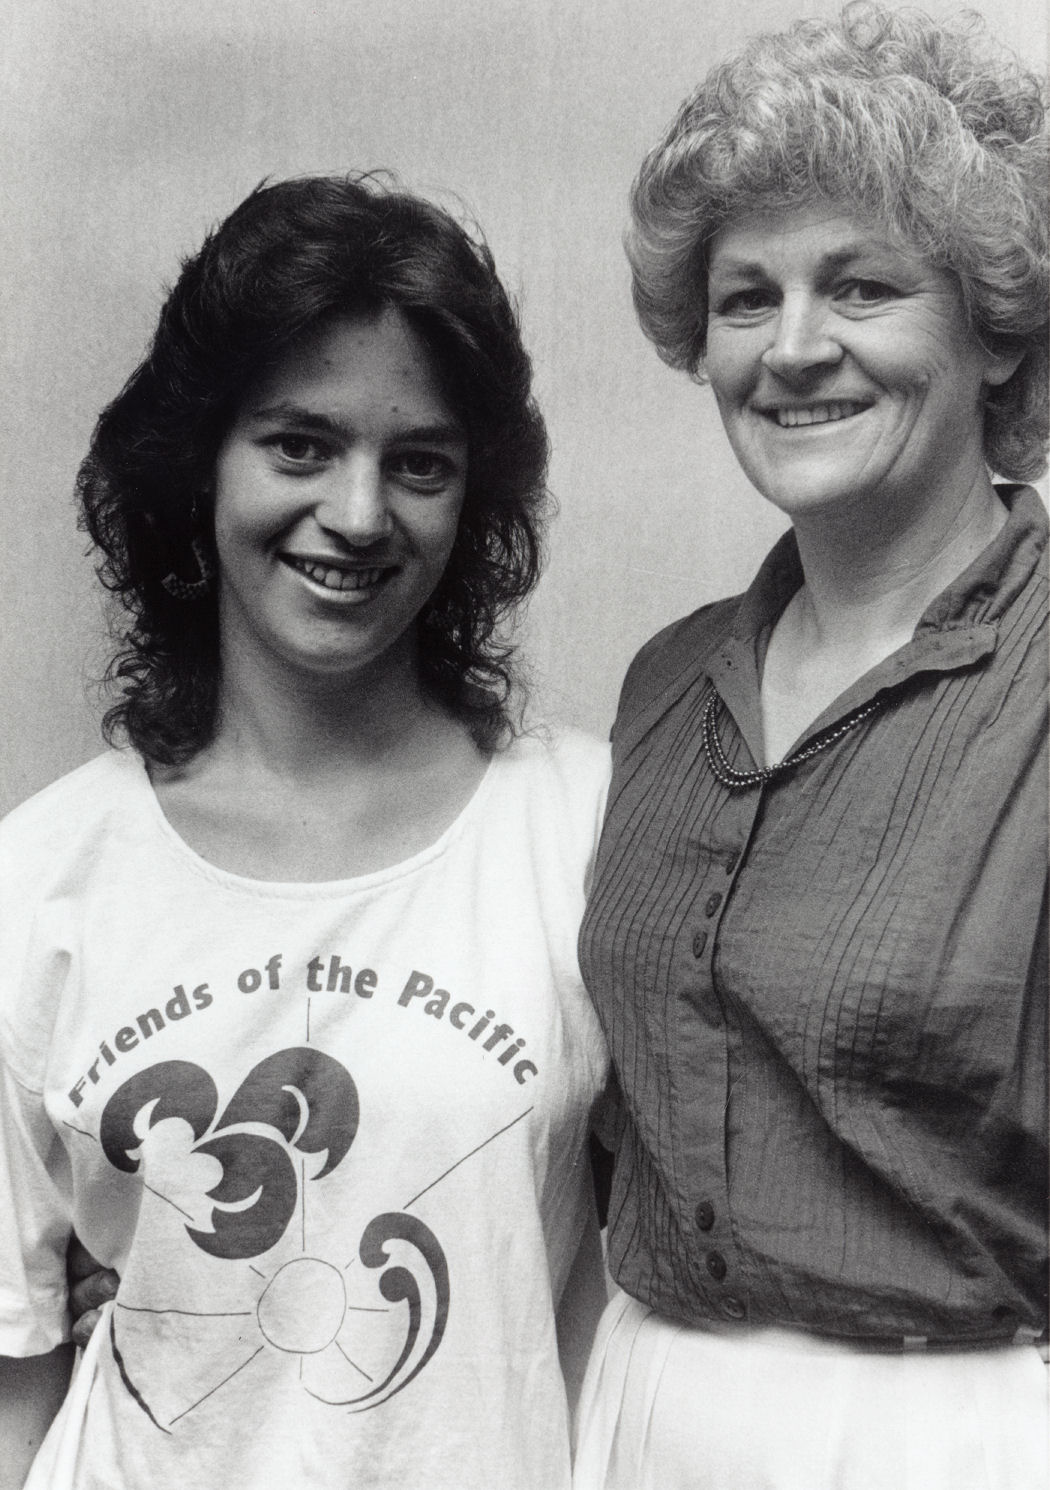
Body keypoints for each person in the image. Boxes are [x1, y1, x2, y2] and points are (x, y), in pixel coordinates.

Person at [0, 174, 610, 1490]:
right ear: (197, 461)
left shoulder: (586, 829)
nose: (356, 511)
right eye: (297, 443)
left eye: (420, 463)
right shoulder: (39, 881)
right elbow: (14, 1366)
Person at [573, 5, 1048, 1487]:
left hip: (952, 1427)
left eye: (859, 287)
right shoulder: (664, 684)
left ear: (989, 329)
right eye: (742, 297)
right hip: (646, 1406)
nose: (791, 350)